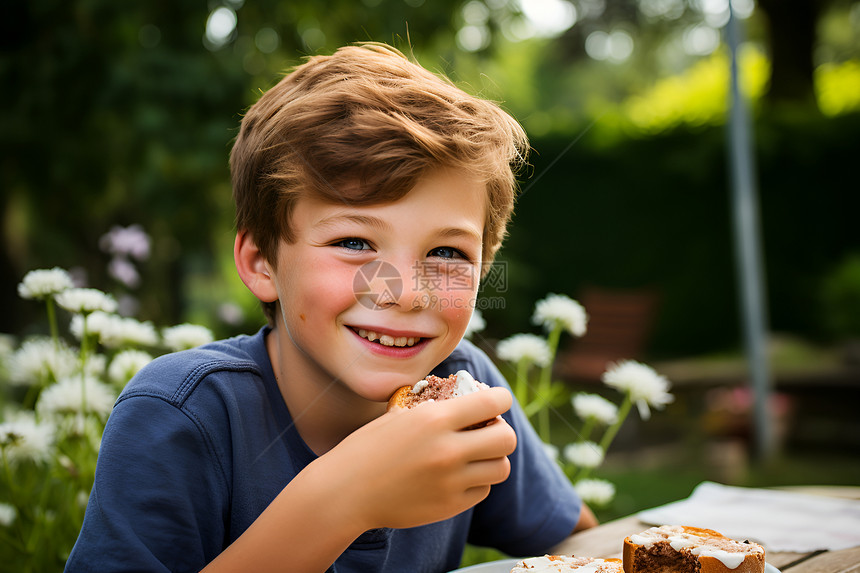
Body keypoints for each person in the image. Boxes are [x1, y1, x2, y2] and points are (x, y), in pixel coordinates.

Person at [65, 42, 597, 572]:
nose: (406, 293)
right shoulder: (182, 415)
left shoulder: (463, 390)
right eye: (354, 242)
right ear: (261, 263)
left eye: (446, 253)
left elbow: (580, 545)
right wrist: (343, 499)